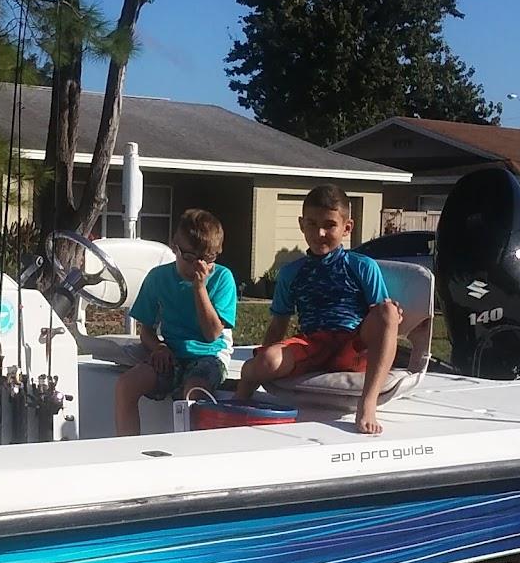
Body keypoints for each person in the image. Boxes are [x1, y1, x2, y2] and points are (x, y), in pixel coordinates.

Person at [236, 185, 402, 434]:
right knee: (266, 361)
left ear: (347, 227)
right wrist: (262, 363)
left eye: (329, 225)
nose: (319, 232)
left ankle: (367, 404)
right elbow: (279, 322)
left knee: (387, 311)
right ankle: (238, 404)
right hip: (312, 344)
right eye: (312, 224)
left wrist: (394, 316)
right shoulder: (291, 273)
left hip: (352, 344)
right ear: (301, 224)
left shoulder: (362, 266)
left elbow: (381, 321)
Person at [113, 209, 238, 436]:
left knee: (193, 390)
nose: (197, 268)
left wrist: (199, 288)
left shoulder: (222, 278)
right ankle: (127, 452)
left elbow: (211, 334)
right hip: (172, 354)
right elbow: (146, 330)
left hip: (209, 355)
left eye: (207, 260)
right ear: (175, 249)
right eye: (189, 259)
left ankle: (188, 453)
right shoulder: (158, 278)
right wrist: (159, 347)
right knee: (126, 385)